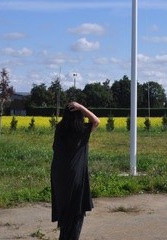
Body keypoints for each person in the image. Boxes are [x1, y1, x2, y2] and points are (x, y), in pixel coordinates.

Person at [51, 101, 100, 240]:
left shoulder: (59, 129)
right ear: (80, 115)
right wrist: (82, 107)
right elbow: (96, 121)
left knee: (65, 209)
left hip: (58, 173)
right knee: (77, 209)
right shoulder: (82, 130)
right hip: (75, 173)